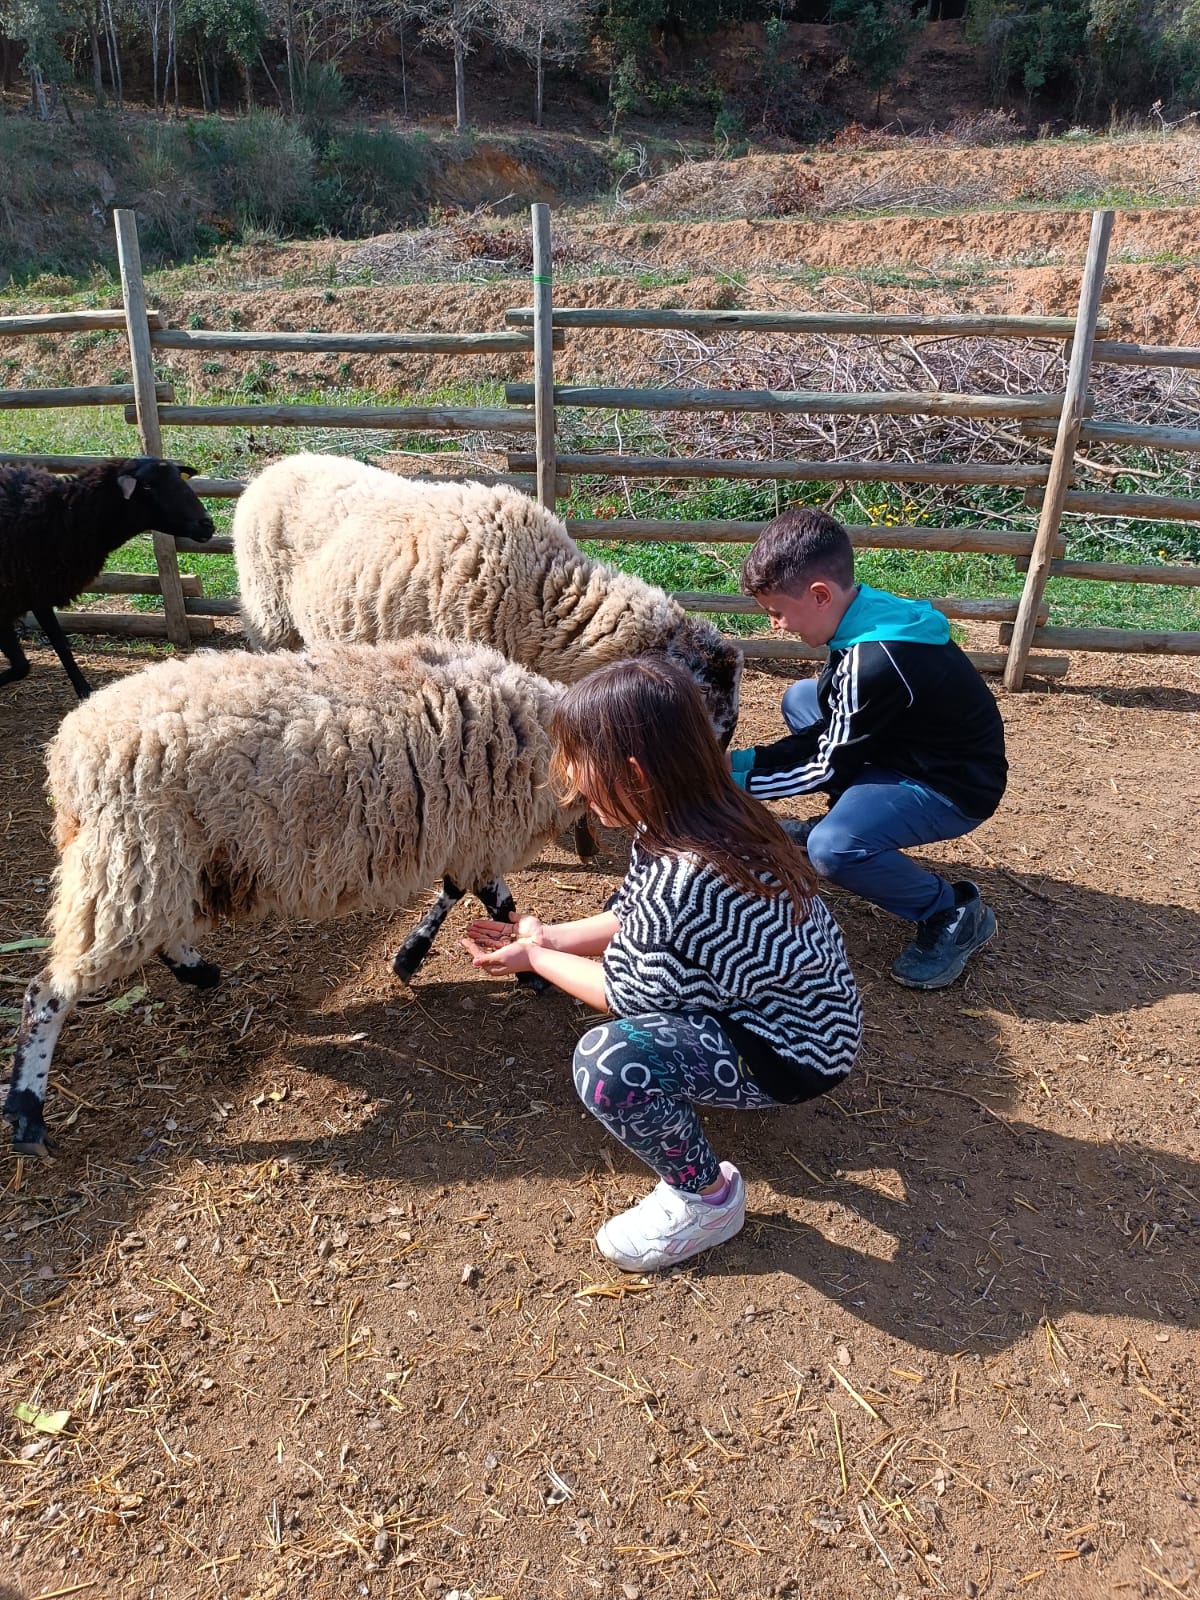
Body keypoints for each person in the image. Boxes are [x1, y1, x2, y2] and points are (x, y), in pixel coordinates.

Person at [462, 657, 862, 1274]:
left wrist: (536, 957)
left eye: (580, 760)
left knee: (610, 1063)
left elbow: (618, 994)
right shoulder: (697, 816)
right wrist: (551, 937)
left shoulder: (683, 881)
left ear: (634, 772)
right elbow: (628, 911)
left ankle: (706, 1200)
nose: (571, 777)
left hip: (796, 1054)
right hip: (817, 1014)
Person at [732, 507, 1008, 990]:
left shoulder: (875, 659)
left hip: (952, 786)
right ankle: (852, 818)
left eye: (776, 611)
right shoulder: (863, 613)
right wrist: (744, 763)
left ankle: (951, 911)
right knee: (802, 699)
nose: (775, 625)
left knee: (832, 849)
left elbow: (825, 763)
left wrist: (731, 781)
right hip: (909, 750)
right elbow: (833, 730)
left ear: (820, 595)